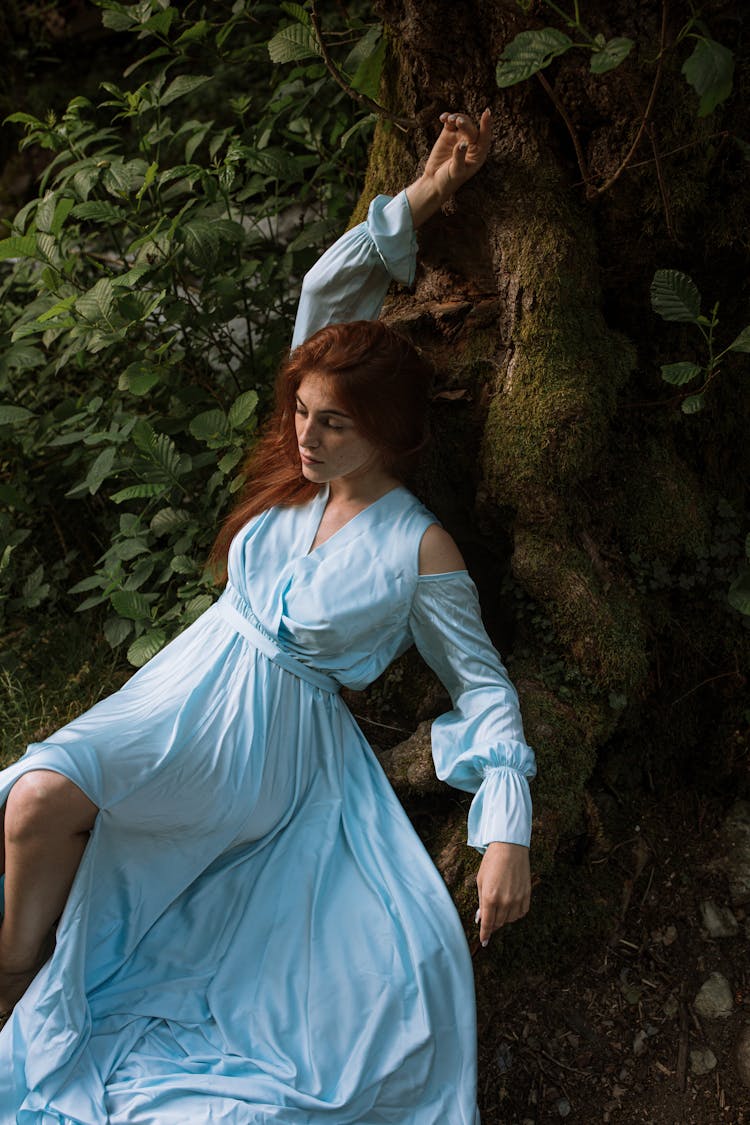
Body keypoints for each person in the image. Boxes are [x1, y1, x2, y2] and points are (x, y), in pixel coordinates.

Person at [0, 108, 536, 1123]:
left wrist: (504, 826)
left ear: (385, 432)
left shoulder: (417, 547)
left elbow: (483, 686)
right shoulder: (298, 478)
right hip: (186, 684)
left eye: (333, 422)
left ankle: (41, 993)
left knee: (62, 822)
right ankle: (19, 975)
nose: (304, 433)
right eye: (300, 410)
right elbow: (324, 292)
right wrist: (427, 194)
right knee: (34, 800)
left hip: (268, 746)